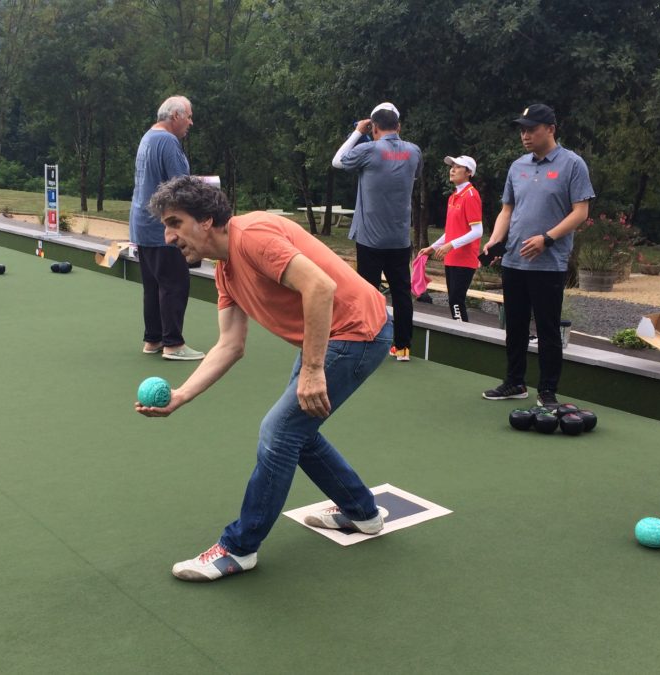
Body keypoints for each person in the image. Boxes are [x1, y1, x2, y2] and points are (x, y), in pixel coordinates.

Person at [137, 176, 391, 582]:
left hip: (358, 332)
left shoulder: (251, 236)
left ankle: (239, 548)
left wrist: (311, 370)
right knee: (297, 433)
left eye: (175, 223)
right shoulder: (225, 271)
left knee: (279, 432)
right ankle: (363, 514)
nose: (168, 237)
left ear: (205, 220)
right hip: (331, 334)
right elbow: (229, 345)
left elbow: (320, 287)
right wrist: (181, 396)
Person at [480, 104, 593, 406]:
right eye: (522, 130)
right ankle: (515, 382)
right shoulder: (518, 166)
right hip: (514, 260)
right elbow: (508, 209)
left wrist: (547, 238)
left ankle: (547, 390)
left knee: (547, 328)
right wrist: (495, 241)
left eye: (532, 129)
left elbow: (581, 212)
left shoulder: (572, 164)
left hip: (548, 264)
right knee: (514, 325)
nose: (525, 135)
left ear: (551, 129)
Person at [332, 102, 422, 361]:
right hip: (399, 238)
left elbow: (338, 162)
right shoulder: (414, 151)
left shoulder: (369, 149)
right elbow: (413, 175)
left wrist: (357, 132)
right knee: (402, 292)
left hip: (370, 238)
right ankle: (403, 347)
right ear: (399, 126)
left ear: (374, 128)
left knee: (368, 292)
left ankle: (369, 340)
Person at [129, 96, 204, 361]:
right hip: (163, 228)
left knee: (153, 285)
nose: (191, 123)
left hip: (142, 225)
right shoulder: (168, 142)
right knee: (175, 283)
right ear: (175, 116)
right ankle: (173, 344)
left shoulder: (148, 137)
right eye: (189, 116)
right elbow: (181, 186)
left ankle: (153, 339)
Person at [419, 155, 483, 321]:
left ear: (469, 172)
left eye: (458, 167)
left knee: (456, 300)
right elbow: (451, 230)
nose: (452, 170)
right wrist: (433, 247)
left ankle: (463, 338)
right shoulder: (453, 196)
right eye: (452, 166)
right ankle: (460, 333)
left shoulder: (471, 195)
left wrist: (451, 245)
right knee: (453, 300)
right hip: (452, 257)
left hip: (464, 258)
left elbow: (478, 231)